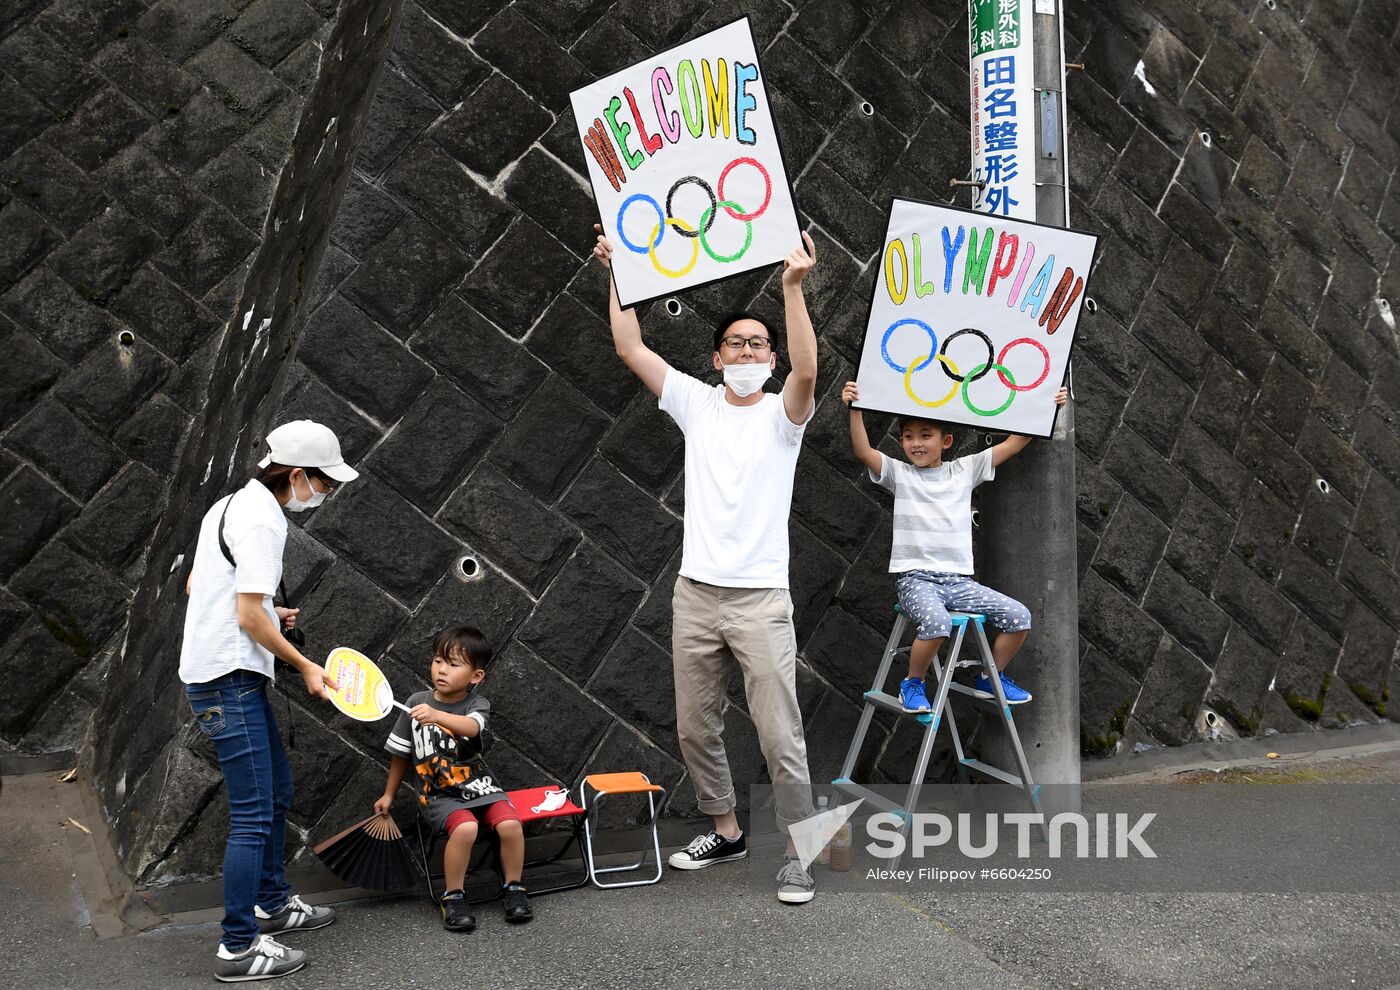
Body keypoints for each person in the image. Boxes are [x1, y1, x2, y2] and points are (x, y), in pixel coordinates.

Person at [592, 223, 821, 905]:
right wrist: (620, 271)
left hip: (760, 599)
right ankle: (725, 830)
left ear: (770, 359)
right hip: (697, 594)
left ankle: (800, 850)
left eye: (759, 343)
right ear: (716, 357)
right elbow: (629, 345)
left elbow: (809, 371)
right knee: (695, 726)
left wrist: (792, 287)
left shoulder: (785, 415)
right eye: (735, 343)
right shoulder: (697, 403)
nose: (747, 350)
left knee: (781, 734)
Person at [181, 420, 357, 983]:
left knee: (276, 791)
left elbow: (197, 586)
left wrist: (265, 614)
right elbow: (246, 613)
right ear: (298, 475)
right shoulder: (264, 522)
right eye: (324, 484)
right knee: (254, 815)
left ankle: (272, 904)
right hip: (226, 681)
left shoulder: (229, 504)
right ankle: (237, 947)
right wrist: (305, 664)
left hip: (227, 674)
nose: (323, 495)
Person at [841, 382, 1068, 712]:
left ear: (945, 441)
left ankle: (991, 678)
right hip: (916, 579)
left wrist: (1049, 408)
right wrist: (855, 409)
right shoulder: (899, 474)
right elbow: (863, 451)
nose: (916, 443)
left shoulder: (965, 469)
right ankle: (912, 683)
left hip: (959, 582)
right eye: (908, 437)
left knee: (1020, 617)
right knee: (937, 624)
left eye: (925, 435)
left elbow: (1015, 443)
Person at [374, 625, 532, 931]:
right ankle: (454, 897)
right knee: (466, 827)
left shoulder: (476, 704)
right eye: (437, 661)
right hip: (439, 795)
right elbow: (401, 755)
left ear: (476, 676)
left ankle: (514, 888)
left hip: (480, 787)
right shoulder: (416, 701)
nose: (441, 670)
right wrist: (389, 794)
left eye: (453, 664)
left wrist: (436, 716)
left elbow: (473, 728)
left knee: (511, 823)